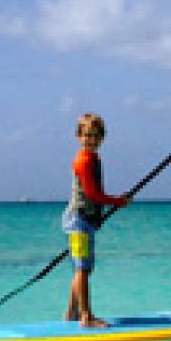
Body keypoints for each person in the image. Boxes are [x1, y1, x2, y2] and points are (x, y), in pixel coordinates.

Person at [62, 113, 130, 328]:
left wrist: (99, 214)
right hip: (78, 220)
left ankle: (71, 312)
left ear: (102, 138)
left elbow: (94, 195)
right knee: (82, 269)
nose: (91, 140)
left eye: (95, 136)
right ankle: (86, 316)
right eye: (86, 136)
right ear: (78, 137)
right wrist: (116, 201)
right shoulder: (83, 161)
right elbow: (92, 194)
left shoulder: (94, 158)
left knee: (84, 269)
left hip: (85, 219)